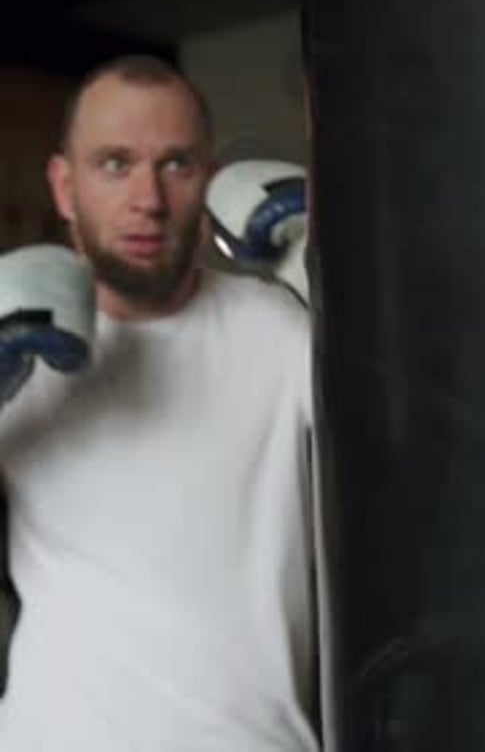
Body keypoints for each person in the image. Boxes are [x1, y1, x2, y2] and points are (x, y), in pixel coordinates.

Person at [0, 55, 320, 751]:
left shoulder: (280, 331)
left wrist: (340, 276)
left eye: (175, 164)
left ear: (210, 178)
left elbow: (432, 464)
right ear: (64, 185)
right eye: (114, 164)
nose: (148, 198)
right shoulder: (18, 341)